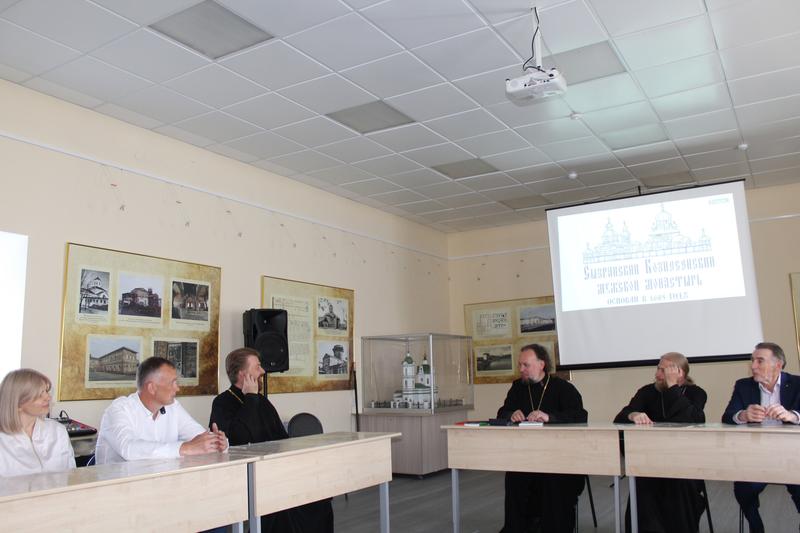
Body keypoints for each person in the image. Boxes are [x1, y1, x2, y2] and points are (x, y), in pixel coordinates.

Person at [210, 348, 334, 533]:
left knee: (319, 496)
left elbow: (282, 439)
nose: (263, 371)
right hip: (248, 474)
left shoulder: (262, 401)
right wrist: (250, 398)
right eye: (257, 367)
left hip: (276, 469)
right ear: (243, 374)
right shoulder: (223, 402)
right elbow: (237, 438)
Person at [497, 343, 587, 533]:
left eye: (526, 365)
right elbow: (502, 412)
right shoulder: (517, 387)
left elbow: (580, 416)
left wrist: (550, 417)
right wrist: (511, 414)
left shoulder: (563, 388)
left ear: (541, 364)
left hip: (560, 458)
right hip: (527, 456)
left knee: (553, 479)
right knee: (514, 476)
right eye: (520, 365)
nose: (521, 369)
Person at [614, 352, 707, 533]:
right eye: (658, 368)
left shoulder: (696, 393)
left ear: (679, 372)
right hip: (650, 462)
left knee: (678, 486)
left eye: (663, 370)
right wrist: (633, 415)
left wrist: (672, 386)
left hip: (684, 464)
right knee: (644, 483)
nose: (657, 374)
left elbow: (693, 418)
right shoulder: (647, 391)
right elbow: (621, 416)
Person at [722, 342, 800, 533]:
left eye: (759, 361)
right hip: (758, 455)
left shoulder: (798, 383)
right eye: (752, 361)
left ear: (778, 365)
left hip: (793, 456)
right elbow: (727, 416)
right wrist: (743, 415)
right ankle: (756, 527)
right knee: (743, 489)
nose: (753, 366)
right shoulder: (743, 385)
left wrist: (792, 415)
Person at [95, 357, 226, 464]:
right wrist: (185, 448)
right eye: (173, 383)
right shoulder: (119, 409)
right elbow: (128, 448)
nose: (177, 389)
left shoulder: (173, 407)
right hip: (116, 485)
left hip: (160, 481)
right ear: (152, 388)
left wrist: (217, 443)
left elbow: (198, 437)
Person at [0, 369, 75, 477]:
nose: (48, 397)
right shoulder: (2, 440)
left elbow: (71, 475)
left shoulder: (58, 431)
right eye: (39, 394)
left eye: (46, 391)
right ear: (18, 403)